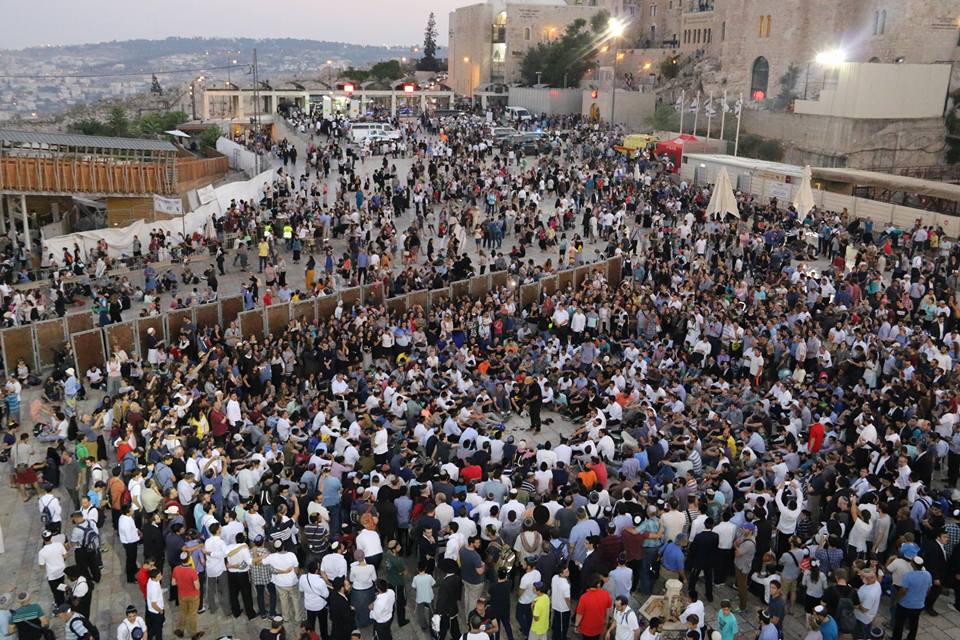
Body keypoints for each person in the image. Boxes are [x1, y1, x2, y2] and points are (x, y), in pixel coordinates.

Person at [892, 556, 932, 640]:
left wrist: (896, 600)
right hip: (919, 605)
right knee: (914, 624)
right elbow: (928, 589)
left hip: (905, 604)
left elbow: (903, 591)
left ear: (913, 564)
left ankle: (896, 638)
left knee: (899, 623)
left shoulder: (908, 576)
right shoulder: (928, 574)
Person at [171, 552, 202, 640]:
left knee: (183, 612)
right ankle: (193, 634)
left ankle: (180, 630)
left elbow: (173, 583)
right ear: (188, 559)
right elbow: (197, 587)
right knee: (192, 614)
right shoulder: (192, 571)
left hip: (182, 595)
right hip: (193, 596)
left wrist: (181, 583)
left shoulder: (176, 569)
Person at [574, 576, 611, 640]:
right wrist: (606, 621)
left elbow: (579, 614)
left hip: (586, 628)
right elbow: (608, 609)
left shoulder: (584, 597)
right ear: (598, 584)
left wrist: (576, 625)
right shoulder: (605, 593)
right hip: (599, 626)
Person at [146, 569, 166, 640]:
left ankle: (150, 636)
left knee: (155, 626)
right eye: (159, 576)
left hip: (154, 610)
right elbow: (153, 604)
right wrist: (160, 610)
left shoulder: (151, 579)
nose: (161, 576)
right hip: (156, 611)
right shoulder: (153, 589)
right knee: (158, 629)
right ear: (154, 578)